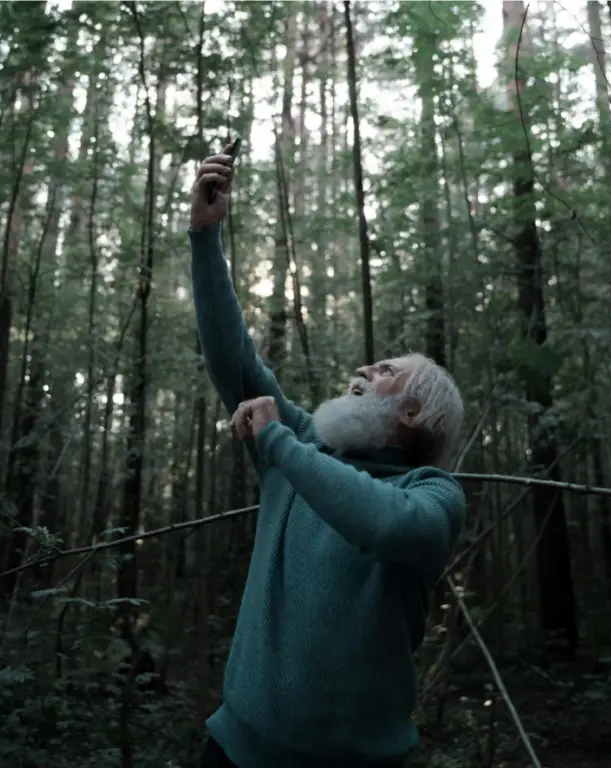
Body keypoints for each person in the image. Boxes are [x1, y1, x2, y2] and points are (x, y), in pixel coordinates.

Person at [189, 144, 467, 768]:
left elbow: (387, 524)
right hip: (233, 752)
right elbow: (234, 359)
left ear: (412, 414)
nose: (364, 369)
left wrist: (279, 443)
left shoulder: (433, 494)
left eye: (387, 371)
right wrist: (205, 239)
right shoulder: (303, 446)